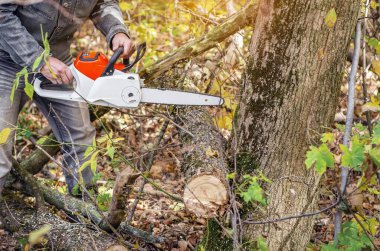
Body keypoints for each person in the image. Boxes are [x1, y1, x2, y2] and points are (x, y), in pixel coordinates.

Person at [0, 1, 133, 202]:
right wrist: (39, 59)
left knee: (80, 137)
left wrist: (116, 31)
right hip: (5, 58)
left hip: (59, 62)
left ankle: (85, 213)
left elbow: (103, 2)